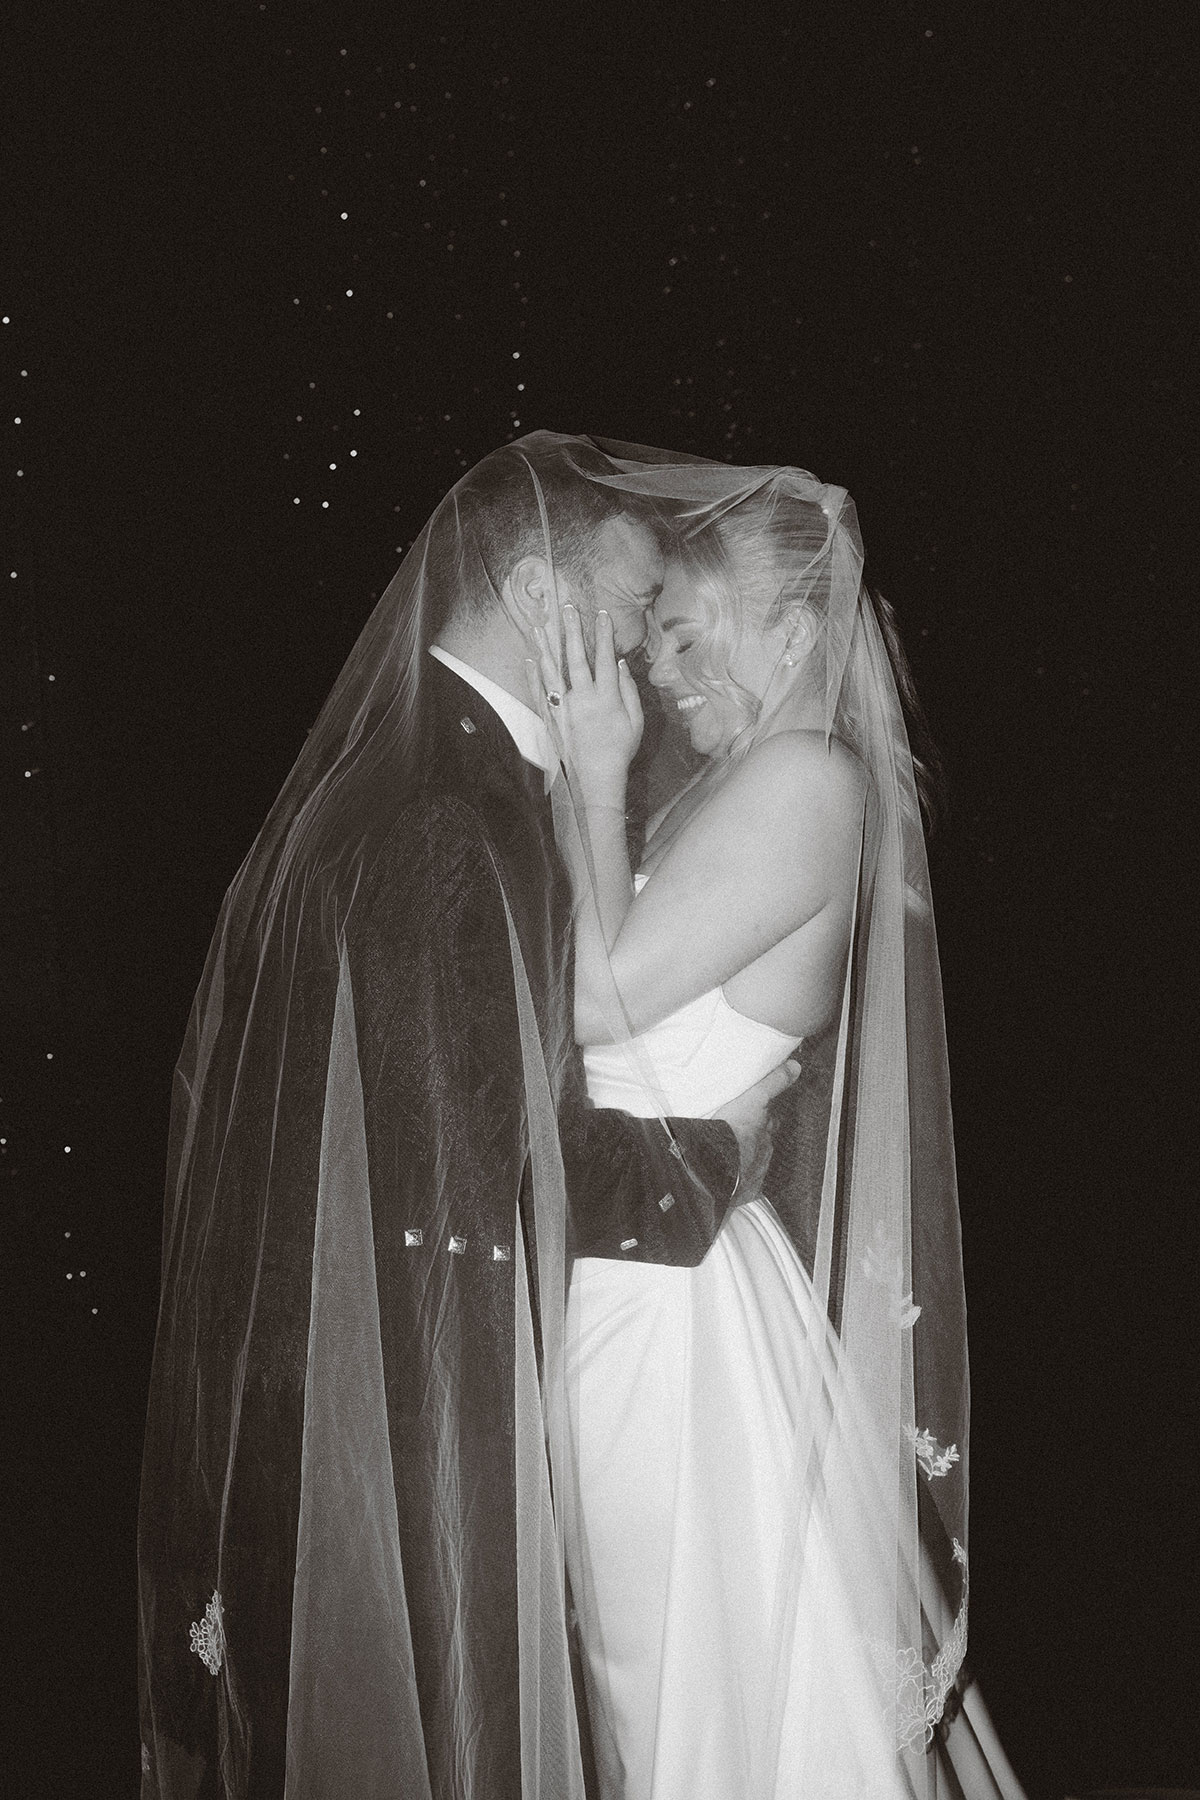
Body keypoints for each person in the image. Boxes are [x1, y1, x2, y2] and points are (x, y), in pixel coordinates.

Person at [135, 436, 797, 1799]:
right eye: (626, 612)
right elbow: (486, 1168)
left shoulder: (394, 773)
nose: (640, 653)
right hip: (394, 1398)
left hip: (313, 1365)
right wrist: (727, 1152)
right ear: (545, 596)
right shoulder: (458, 810)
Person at [533, 447, 1027, 1798]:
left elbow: (596, 993)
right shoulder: (751, 783)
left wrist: (591, 766)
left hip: (665, 1310)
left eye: (690, 636)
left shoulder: (806, 775)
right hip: (662, 1279)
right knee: (672, 1671)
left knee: (681, 1684)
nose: (658, 671)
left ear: (792, 631)